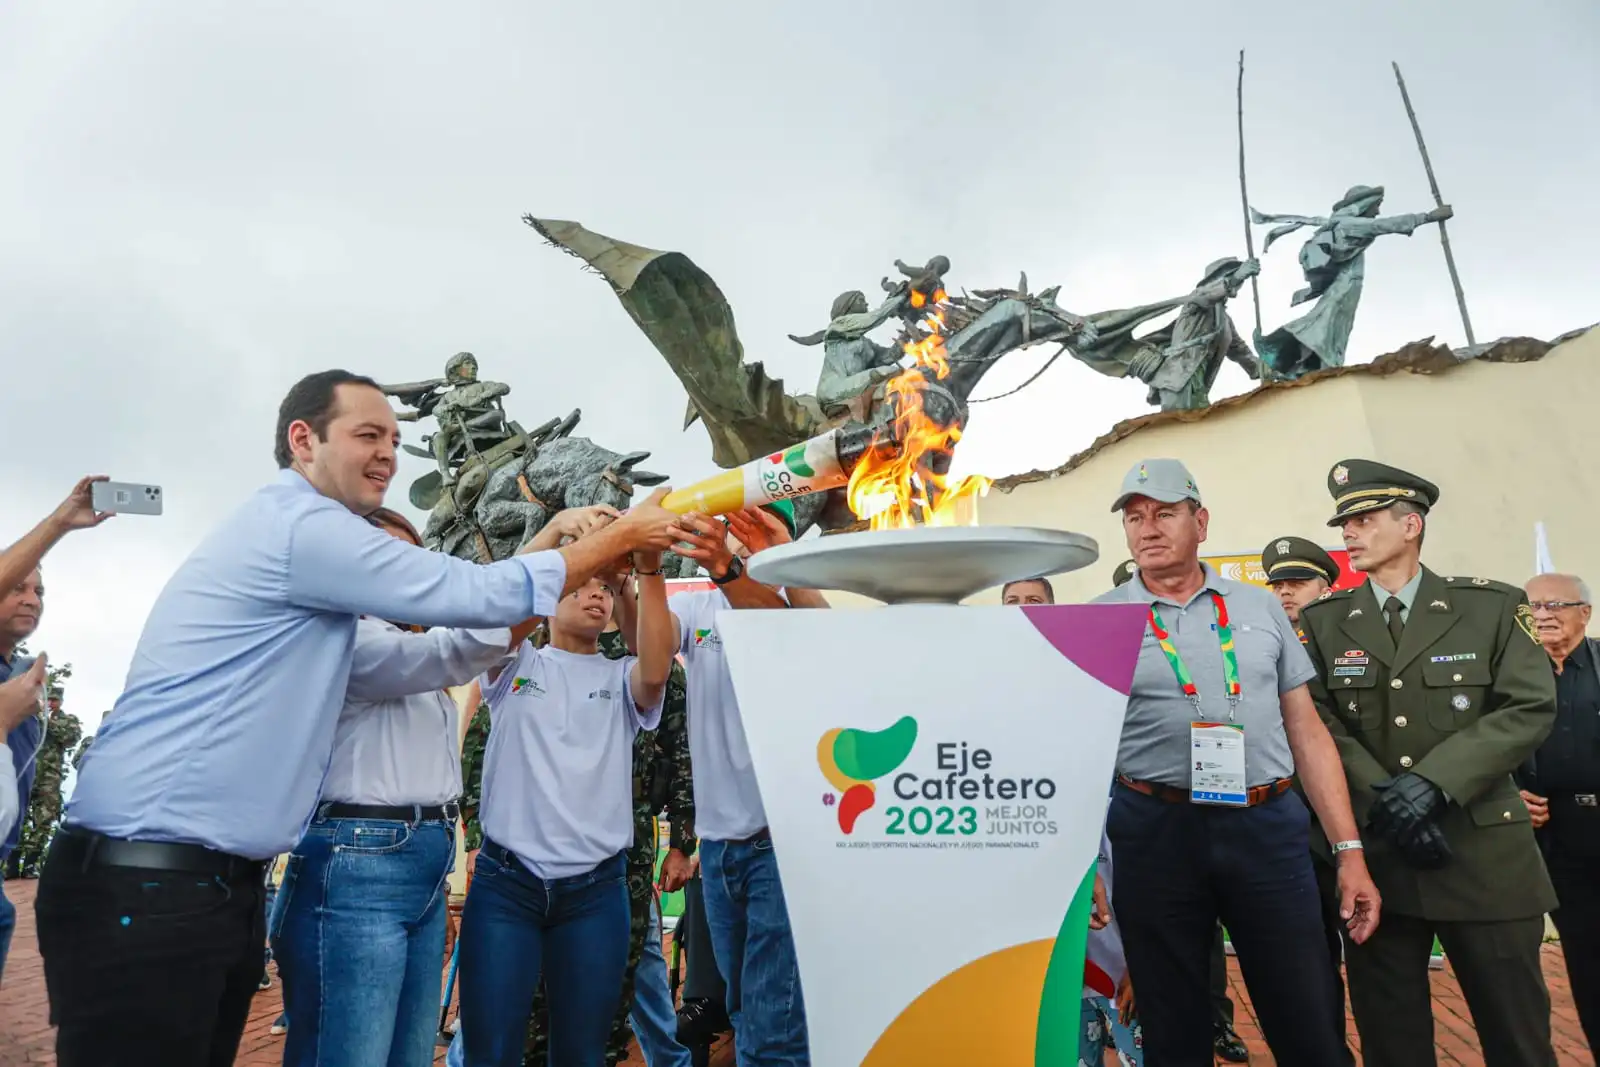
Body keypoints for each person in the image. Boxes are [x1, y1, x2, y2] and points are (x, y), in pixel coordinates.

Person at [34, 370, 685, 1067]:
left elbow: (455, 643)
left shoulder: (333, 614)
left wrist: (557, 534)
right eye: (367, 434)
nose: (388, 454)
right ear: (303, 439)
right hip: (161, 876)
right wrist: (610, 543)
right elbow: (461, 593)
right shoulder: (301, 528)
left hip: (231, 880)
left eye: (397, 439)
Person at [272, 503, 609, 1067]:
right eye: (386, 555)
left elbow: (471, 619)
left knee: (406, 1053)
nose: (407, 568)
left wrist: (552, 536)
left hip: (417, 857)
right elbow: (467, 644)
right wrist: (569, 558)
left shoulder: (405, 638)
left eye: (412, 555)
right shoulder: (342, 638)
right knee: (350, 1053)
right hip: (359, 859)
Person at [1092, 457, 1379, 1067]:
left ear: (1200, 521)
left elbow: (1306, 731)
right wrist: (1084, 864)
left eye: (1164, 513)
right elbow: (1078, 750)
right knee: (1174, 1026)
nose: (1147, 528)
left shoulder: (1259, 606)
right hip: (1154, 830)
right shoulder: (1100, 617)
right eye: (1135, 517)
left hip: (1265, 827)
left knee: (1305, 1012)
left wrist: (1349, 852)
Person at [1297, 459, 1559, 1067]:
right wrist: (1386, 792)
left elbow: (1528, 706)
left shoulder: (1490, 607)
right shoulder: (1324, 622)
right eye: (1345, 523)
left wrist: (1433, 783)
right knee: (1393, 1043)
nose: (1349, 534)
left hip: (1482, 859)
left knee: (1518, 1038)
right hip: (1380, 862)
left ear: (1411, 524)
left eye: (1363, 520)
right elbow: (1315, 721)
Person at [456, 533, 673, 1067]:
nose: (593, 595)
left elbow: (657, 666)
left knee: (581, 1052)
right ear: (548, 596)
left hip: (596, 894)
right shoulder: (516, 666)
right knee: (492, 1049)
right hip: (508, 887)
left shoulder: (623, 677)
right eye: (580, 585)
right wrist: (556, 540)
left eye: (604, 588)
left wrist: (639, 574)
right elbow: (498, 605)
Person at [662, 501, 828, 1067]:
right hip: (720, 850)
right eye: (739, 525)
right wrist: (639, 567)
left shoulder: (794, 599)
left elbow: (829, 641)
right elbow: (649, 647)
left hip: (780, 846)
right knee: (743, 1014)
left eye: (765, 527)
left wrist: (779, 559)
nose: (746, 536)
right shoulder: (700, 605)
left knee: (773, 1031)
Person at [0, 475, 111, 982]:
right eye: (18, 586)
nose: (31, 598)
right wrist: (61, 522)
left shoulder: (22, 675)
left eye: (39, 590)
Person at [1260, 534, 1354, 1067]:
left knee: (1371, 963)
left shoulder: (1350, 646)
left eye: (1299, 582)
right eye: (1277, 584)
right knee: (1309, 966)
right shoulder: (1257, 646)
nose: (1286, 593)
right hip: (1289, 834)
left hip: (1350, 830)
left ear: (1329, 586)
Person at [1517, 572, 1600, 1054]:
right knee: (1587, 963)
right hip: (1550, 837)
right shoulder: (1510, 675)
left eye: (1555, 605)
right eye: (1533, 609)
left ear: (1584, 613)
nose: (1544, 616)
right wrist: (1509, 793)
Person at [1260, 536, 1338, 633]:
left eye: (1296, 584)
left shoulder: (1345, 641)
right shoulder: (1260, 642)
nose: (1284, 591)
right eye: (1277, 587)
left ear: (1325, 594)